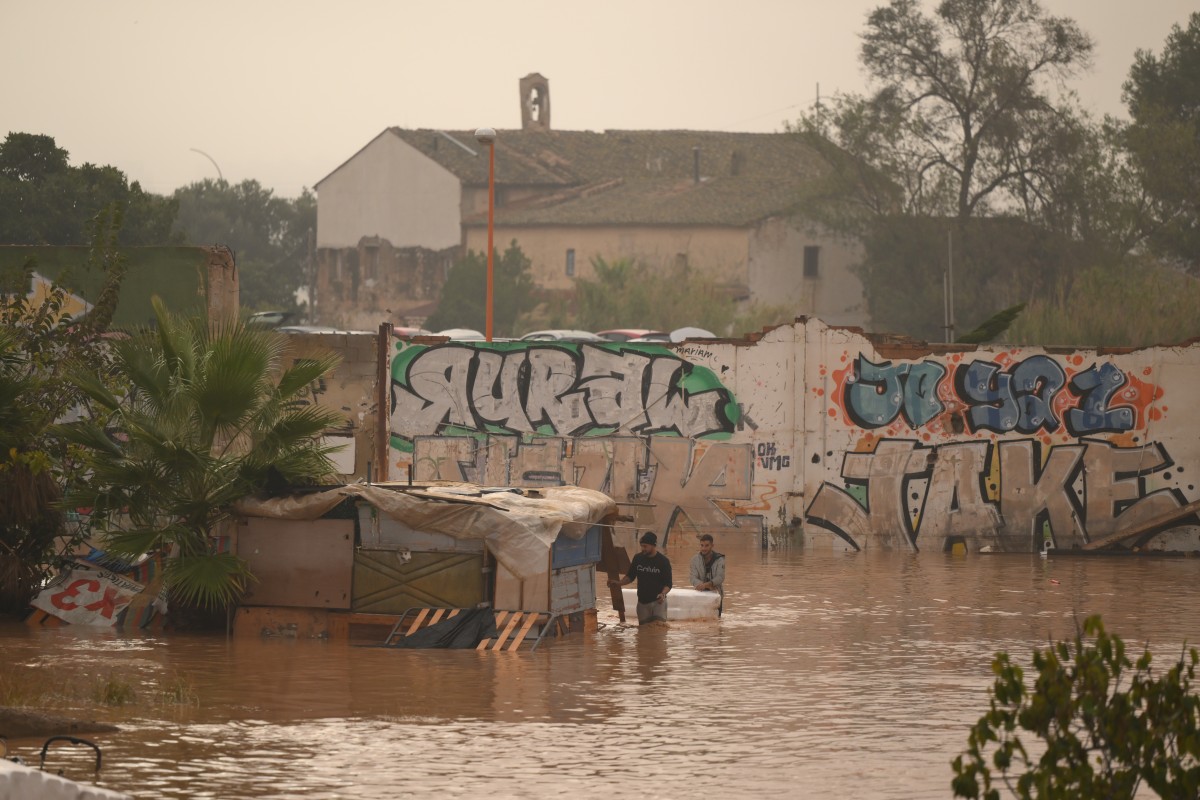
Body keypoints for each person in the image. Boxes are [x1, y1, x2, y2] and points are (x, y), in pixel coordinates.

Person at [609, 531, 672, 623]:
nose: (643, 549)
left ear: (653, 545)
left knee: (659, 630)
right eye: (641, 546)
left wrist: (663, 594)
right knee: (643, 632)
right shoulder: (638, 558)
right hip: (642, 603)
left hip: (658, 602)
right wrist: (618, 583)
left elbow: (668, 584)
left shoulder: (663, 561)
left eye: (645, 546)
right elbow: (630, 576)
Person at [689, 533, 725, 616]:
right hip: (700, 594)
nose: (703, 548)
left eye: (706, 545)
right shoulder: (694, 559)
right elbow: (692, 578)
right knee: (701, 621)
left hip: (716, 594)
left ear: (712, 545)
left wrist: (708, 584)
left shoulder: (720, 559)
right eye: (702, 545)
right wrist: (704, 586)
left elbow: (720, 577)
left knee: (717, 622)